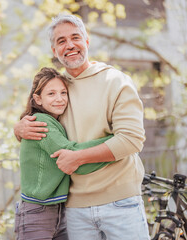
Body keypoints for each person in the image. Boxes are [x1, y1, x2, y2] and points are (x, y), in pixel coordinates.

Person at [14, 14, 150, 240]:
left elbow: (132, 139)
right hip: (75, 209)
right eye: (61, 41)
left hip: (120, 204)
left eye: (75, 37)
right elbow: (38, 119)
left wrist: (79, 158)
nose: (69, 45)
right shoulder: (57, 88)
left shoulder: (116, 81)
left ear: (87, 42)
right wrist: (18, 128)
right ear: (54, 50)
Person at [15, 67, 113, 240]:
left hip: (60, 211)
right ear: (37, 99)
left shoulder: (56, 121)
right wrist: (115, 142)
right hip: (38, 212)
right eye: (51, 94)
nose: (59, 99)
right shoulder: (40, 121)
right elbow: (72, 156)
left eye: (63, 93)